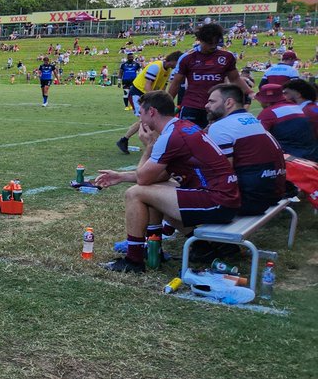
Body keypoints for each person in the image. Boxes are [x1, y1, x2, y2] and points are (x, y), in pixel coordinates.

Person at [95, 90, 241, 272]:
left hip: (217, 200)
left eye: (141, 113)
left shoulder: (170, 136)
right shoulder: (181, 126)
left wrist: (148, 148)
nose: (139, 118)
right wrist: (121, 176)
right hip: (224, 196)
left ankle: (134, 260)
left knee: (134, 193)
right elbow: (159, 177)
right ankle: (164, 248)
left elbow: (143, 179)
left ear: (152, 112)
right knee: (154, 189)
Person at [204, 84, 287, 214]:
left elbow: (222, 174)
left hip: (249, 199)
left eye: (211, 101)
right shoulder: (252, 120)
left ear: (229, 103)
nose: (206, 105)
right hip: (274, 192)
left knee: (172, 188)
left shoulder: (220, 127)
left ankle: (172, 230)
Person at [166, 22, 242, 127]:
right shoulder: (187, 58)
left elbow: (235, 79)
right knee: (188, 139)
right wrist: (167, 105)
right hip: (191, 106)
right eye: (210, 43)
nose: (213, 46)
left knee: (215, 138)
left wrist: (249, 93)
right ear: (201, 40)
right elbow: (176, 83)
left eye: (216, 43)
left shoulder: (226, 57)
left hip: (216, 107)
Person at [116, 51, 182, 154]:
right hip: (138, 94)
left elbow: (163, 87)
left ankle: (124, 140)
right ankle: (151, 148)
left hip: (147, 96)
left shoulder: (167, 70)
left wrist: (163, 98)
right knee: (145, 120)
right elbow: (147, 85)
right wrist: (157, 100)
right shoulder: (156, 66)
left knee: (146, 120)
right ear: (173, 60)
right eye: (178, 63)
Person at [256, 82, 318, 160]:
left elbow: (257, 137)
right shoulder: (297, 107)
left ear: (266, 102)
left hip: (290, 159)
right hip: (312, 154)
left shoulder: (268, 113)